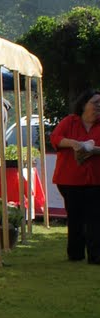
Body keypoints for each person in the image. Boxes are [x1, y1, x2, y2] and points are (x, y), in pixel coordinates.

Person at [50, 90, 100, 263]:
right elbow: (55, 138)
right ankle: (75, 254)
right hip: (69, 179)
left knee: (95, 217)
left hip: (96, 179)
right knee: (75, 216)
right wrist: (75, 144)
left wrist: (93, 150)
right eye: (95, 102)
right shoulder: (70, 121)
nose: (98, 106)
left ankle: (95, 256)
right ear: (84, 104)